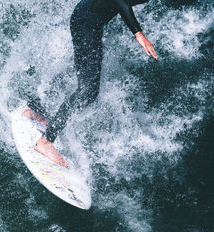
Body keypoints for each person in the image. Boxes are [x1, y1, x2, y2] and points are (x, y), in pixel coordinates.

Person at [25, 0, 157, 167]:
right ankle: (45, 142)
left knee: (82, 73)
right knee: (88, 91)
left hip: (87, 19)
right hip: (87, 22)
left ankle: (35, 108)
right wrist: (138, 33)